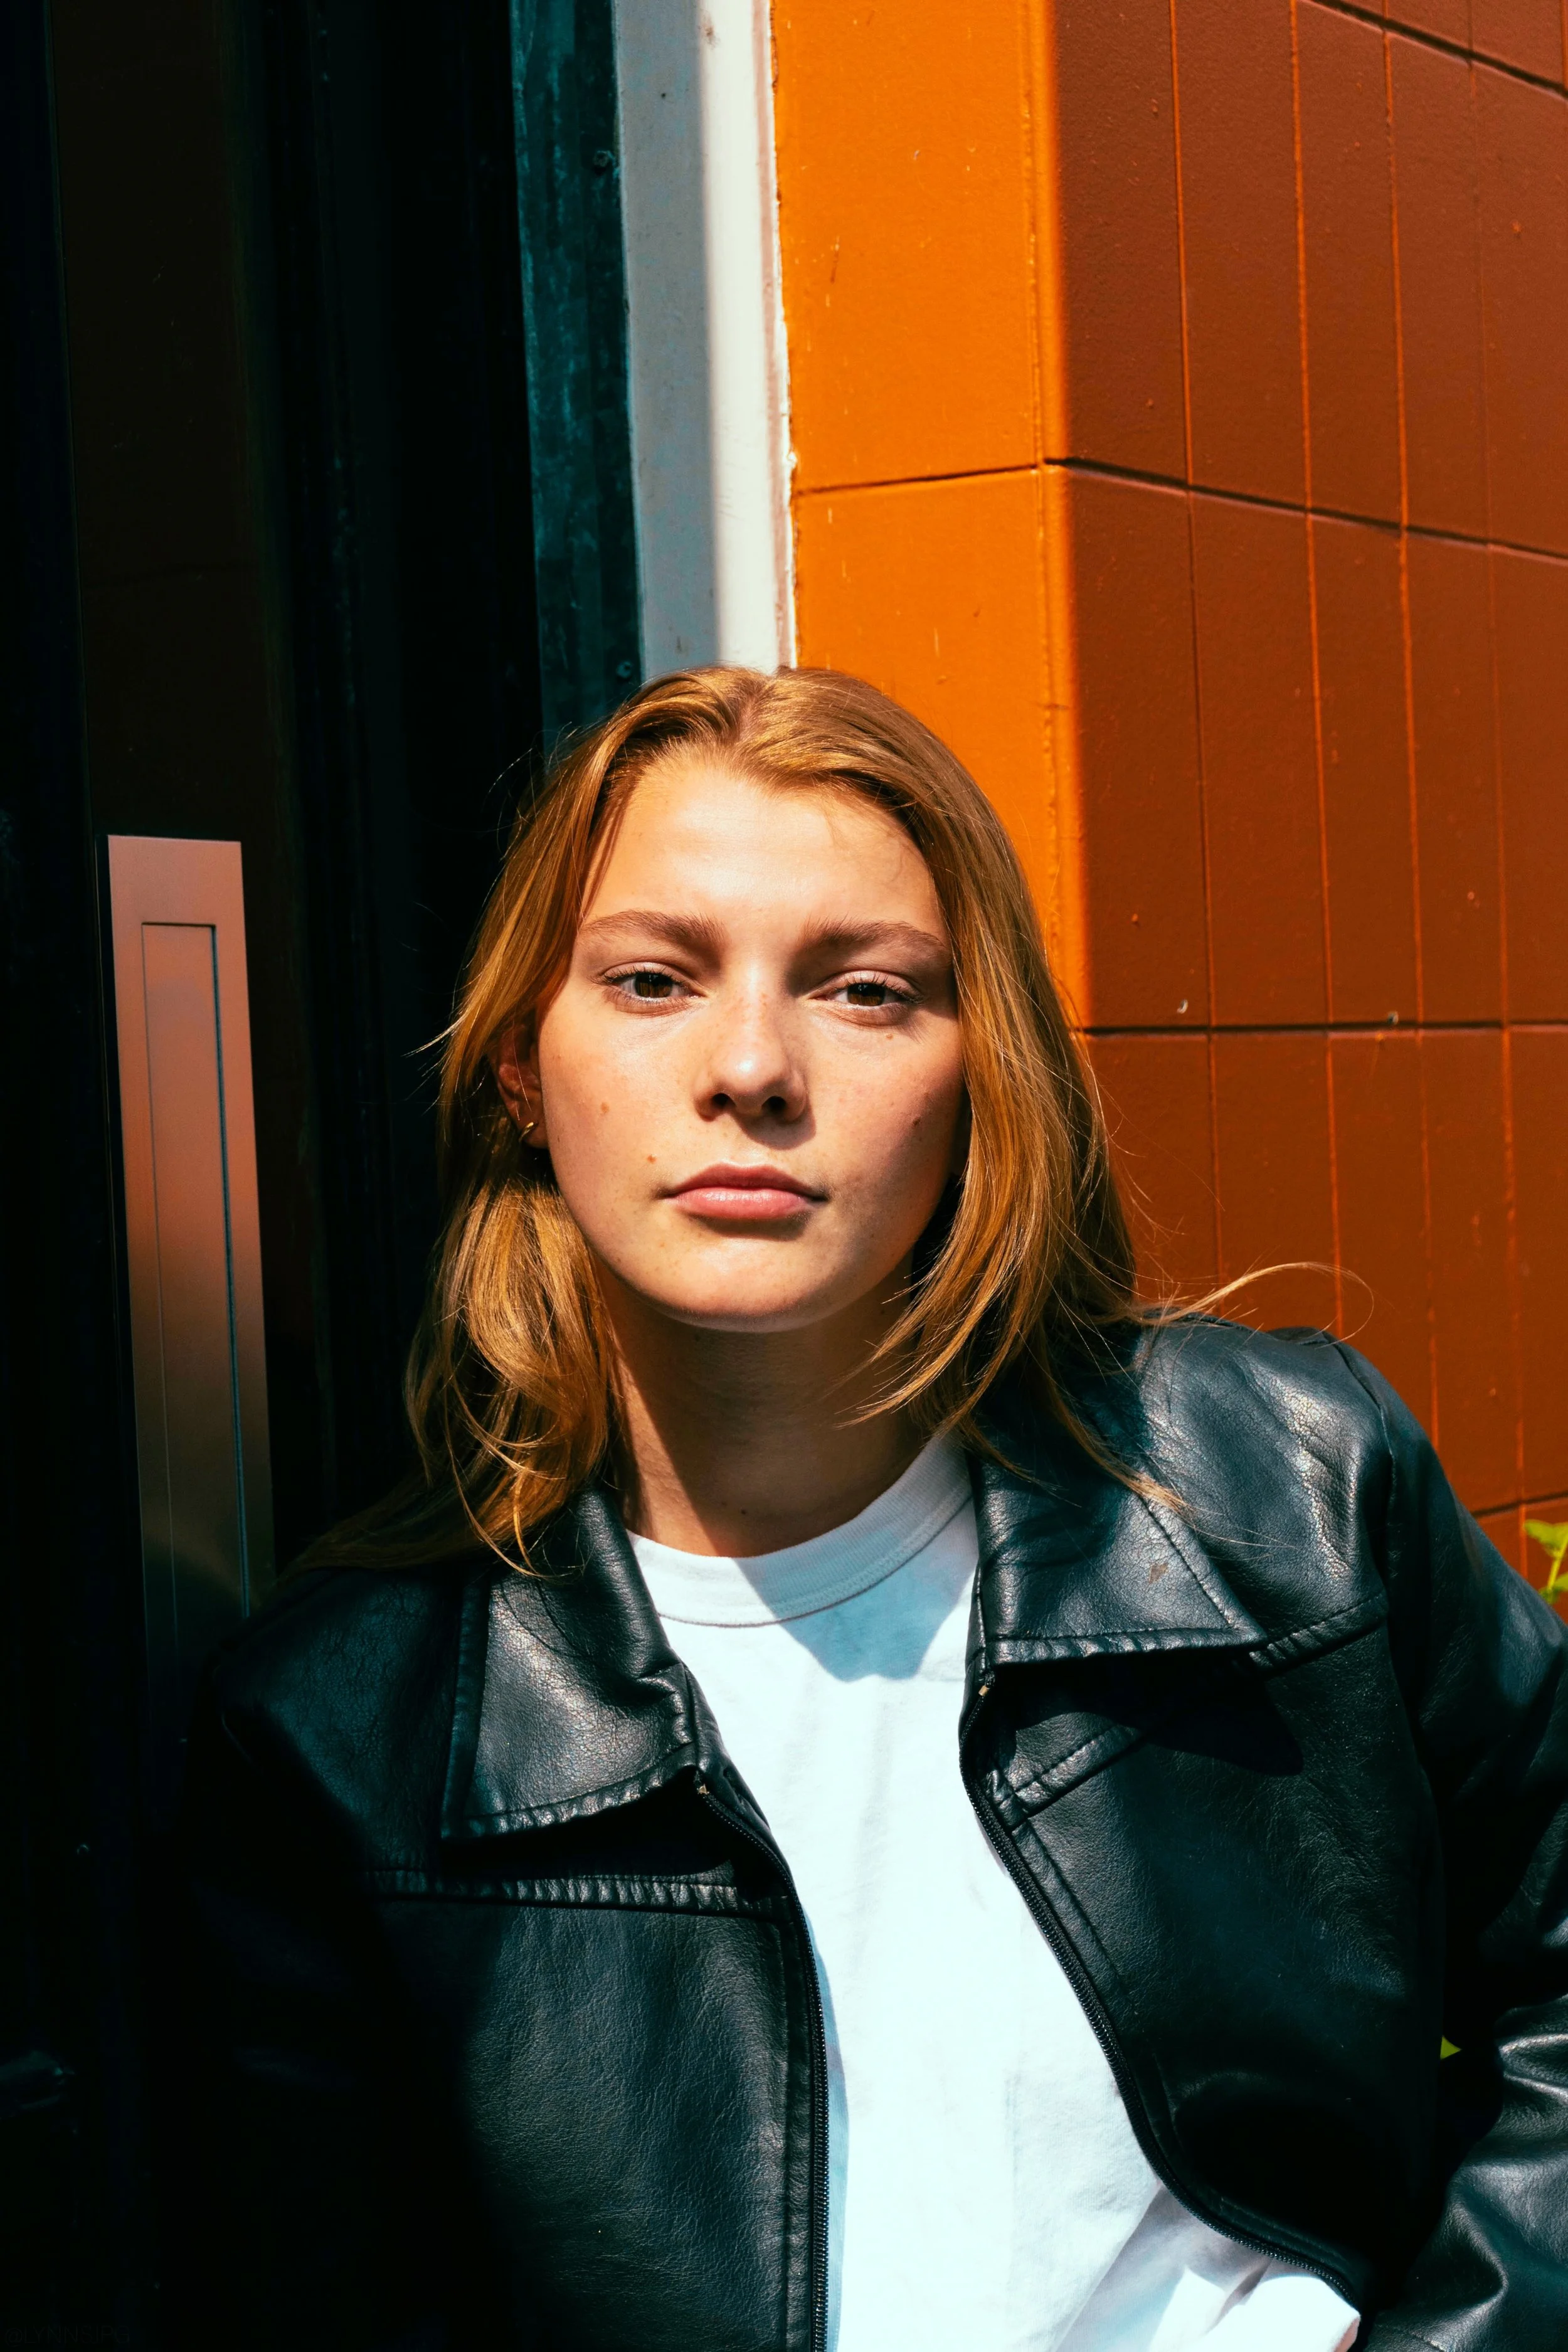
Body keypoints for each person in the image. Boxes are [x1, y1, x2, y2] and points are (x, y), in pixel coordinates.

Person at [179, 666, 1568, 2351]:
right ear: (520, 1077)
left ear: (979, 1073)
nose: (751, 1064)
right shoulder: (345, 1730)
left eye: (862, 990)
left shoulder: (1281, 1490)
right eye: (648, 977)